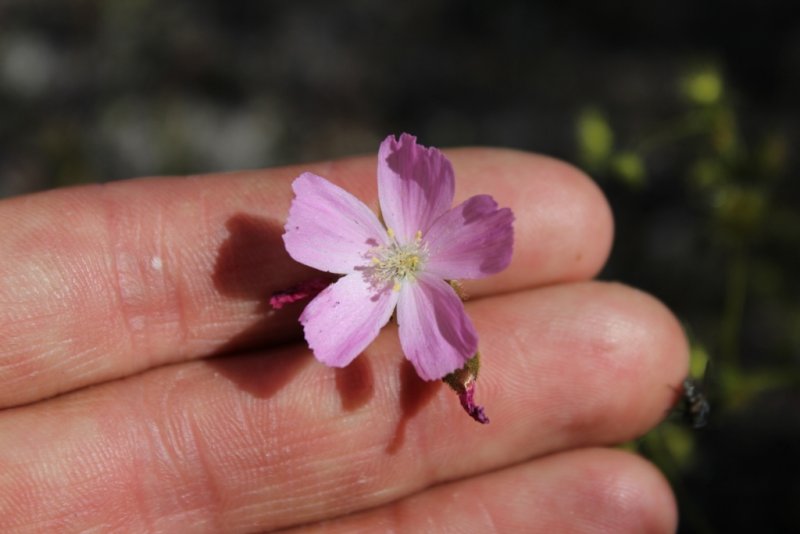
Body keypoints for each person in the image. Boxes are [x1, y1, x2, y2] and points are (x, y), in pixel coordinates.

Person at [0, 148, 685, 532]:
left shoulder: (434, 277)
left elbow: (411, 274)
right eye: (402, 250)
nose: (403, 257)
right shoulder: (387, 260)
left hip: (408, 301)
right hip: (363, 289)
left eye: (409, 252)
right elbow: (368, 278)